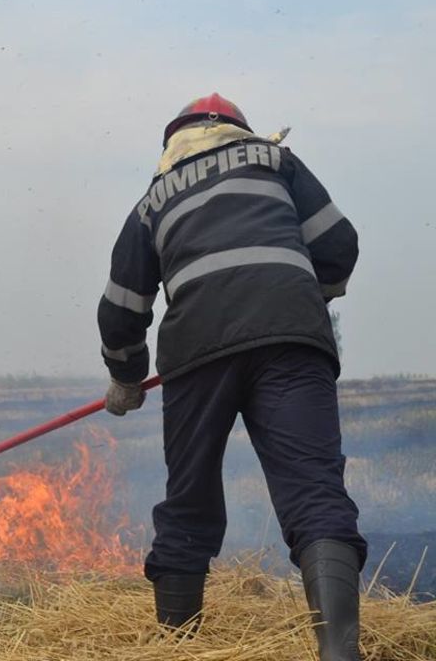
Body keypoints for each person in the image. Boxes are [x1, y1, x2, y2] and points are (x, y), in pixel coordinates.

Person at [97, 93, 366, 660]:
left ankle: (176, 648)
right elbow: (338, 245)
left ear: (175, 141)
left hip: (197, 351)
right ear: (239, 131)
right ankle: (340, 653)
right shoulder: (276, 161)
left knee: (188, 499)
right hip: (291, 339)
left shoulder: (154, 199)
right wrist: (304, 297)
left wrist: (125, 375)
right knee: (315, 493)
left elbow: (122, 306)